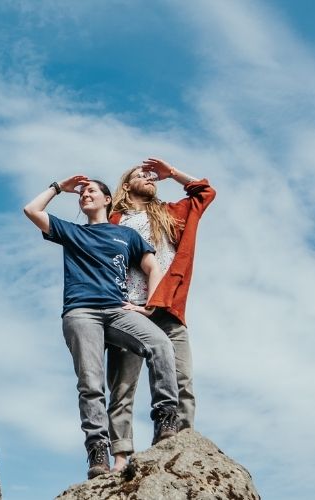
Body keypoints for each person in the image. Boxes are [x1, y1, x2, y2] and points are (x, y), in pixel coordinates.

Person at [23, 174, 181, 479]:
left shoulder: (126, 235)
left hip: (116, 311)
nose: (85, 195)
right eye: (81, 193)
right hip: (81, 313)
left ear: (107, 200)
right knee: (91, 384)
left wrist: (148, 307)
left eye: (91, 190)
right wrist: (59, 188)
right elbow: (32, 210)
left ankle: (165, 418)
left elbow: (153, 267)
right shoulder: (71, 232)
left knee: (160, 344)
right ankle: (97, 451)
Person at [105, 158, 216, 472]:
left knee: (181, 378)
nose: (149, 177)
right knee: (123, 385)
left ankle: (181, 444)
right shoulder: (112, 221)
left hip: (166, 307)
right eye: (141, 175)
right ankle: (120, 456)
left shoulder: (170, 214)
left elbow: (205, 193)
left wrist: (173, 174)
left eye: (152, 176)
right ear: (126, 185)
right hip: (127, 309)